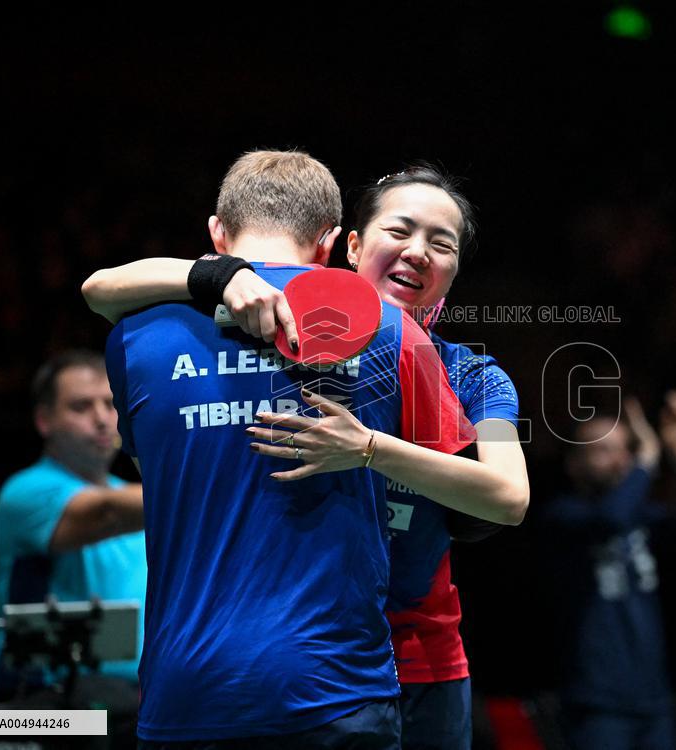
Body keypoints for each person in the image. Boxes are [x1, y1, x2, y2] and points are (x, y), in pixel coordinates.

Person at [82, 163, 529, 749]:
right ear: (344, 246)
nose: (418, 252)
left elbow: (507, 497)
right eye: (399, 231)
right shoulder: (296, 323)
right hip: (323, 671)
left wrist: (369, 449)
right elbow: (99, 288)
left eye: (441, 244)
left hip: (413, 661)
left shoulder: (460, 370)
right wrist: (218, 275)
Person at [546, 393, 676, 750]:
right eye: (603, 450)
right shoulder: (563, 515)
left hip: (653, 696)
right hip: (596, 701)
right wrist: (646, 460)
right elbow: (610, 519)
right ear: (574, 464)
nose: (619, 460)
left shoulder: (641, 516)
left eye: (624, 450)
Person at [0, 350, 146, 702]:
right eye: (81, 407)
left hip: (140, 696)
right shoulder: (25, 492)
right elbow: (107, 513)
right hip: (46, 698)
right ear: (44, 420)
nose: (102, 419)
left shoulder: (139, 498)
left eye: (110, 404)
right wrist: (212, 484)